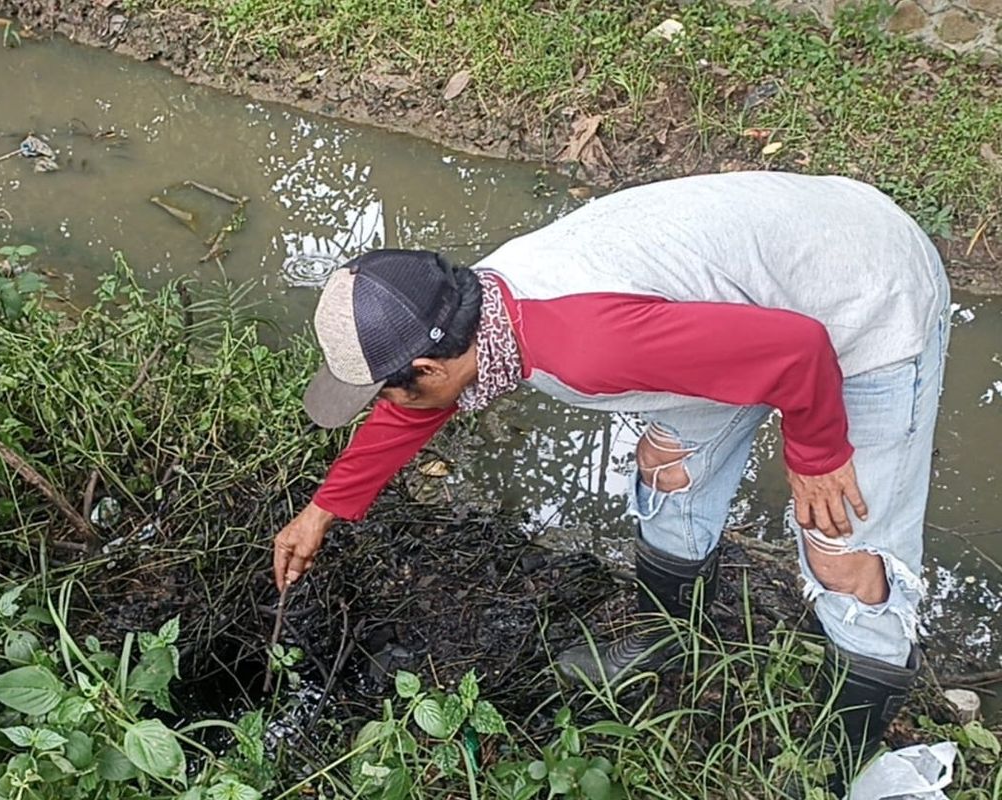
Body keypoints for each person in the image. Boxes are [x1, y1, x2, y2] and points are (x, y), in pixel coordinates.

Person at [272, 171, 950, 792]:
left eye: (386, 392)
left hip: (861, 296)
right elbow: (420, 404)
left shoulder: (583, 344)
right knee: (669, 471)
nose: (388, 408)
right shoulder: (473, 311)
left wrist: (816, 453)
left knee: (844, 555)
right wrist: (323, 511)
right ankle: (667, 635)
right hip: (741, 302)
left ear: (426, 362)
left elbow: (799, 351)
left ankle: (836, 757)